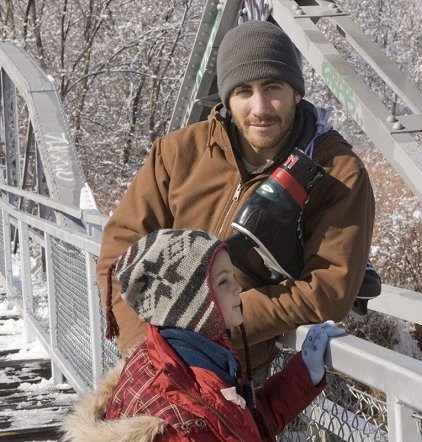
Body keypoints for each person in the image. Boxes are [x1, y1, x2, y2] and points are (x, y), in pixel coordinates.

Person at [96, 20, 375, 377]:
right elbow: (120, 253)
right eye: (244, 91)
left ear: (296, 91)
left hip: (242, 378)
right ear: (227, 97)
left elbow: (327, 290)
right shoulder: (177, 153)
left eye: (273, 87)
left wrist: (212, 324)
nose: (259, 108)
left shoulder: (336, 171)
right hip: (153, 362)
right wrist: (143, 348)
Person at [63, 229, 344, 441]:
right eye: (223, 281)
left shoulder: (180, 362)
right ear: (189, 304)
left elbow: (239, 427)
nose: (238, 289)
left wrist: (304, 375)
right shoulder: (177, 423)